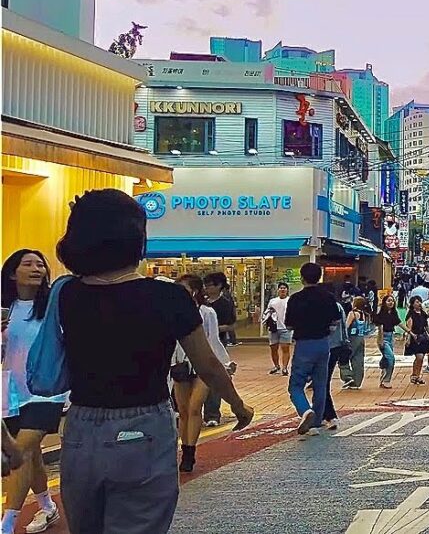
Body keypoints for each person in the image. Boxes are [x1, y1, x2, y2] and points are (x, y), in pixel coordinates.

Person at [52, 189, 252, 532]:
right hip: (142, 426)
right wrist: (238, 405)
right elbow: (208, 365)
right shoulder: (167, 296)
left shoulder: (66, 293)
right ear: (136, 237)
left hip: (80, 429)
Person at [2, 250, 65, 534]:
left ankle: (6, 524)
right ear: (13, 273)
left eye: (40, 264)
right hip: (12, 392)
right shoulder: (5, 308)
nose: (36, 268)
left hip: (47, 392)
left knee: (21, 451)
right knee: (33, 455)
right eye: (27, 264)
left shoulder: (55, 304)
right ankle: (48, 507)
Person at [171, 275, 233, 474]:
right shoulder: (172, 312)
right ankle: (184, 448)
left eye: (184, 289)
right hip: (180, 365)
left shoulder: (207, 313)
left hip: (201, 366)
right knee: (183, 410)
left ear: (195, 291)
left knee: (195, 406)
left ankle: (189, 453)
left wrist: (225, 363)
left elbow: (213, 340)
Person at [285, 262, 343, 435]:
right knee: (320, 384)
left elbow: (288, 325)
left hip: (304, 344)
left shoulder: (296, 299)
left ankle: (305, 411)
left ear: (302, 278)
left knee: (296, 385)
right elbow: (336, 321)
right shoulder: (328, 297)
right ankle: (316, 421)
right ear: (320, 277)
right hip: (324, 344)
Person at [202, 271, 237, 427]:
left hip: (217, 345)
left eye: (209, 285)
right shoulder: (203, 302)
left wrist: (213, 328)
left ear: (219, 286)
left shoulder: (225, 303)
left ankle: (212, 414)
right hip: (200, 344)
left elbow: (231, 325)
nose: (207, 289)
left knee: (214, 379)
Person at [339, 296, 371, 389]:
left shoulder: (352, 313)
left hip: (352, 338)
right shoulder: (364, 314)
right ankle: (357, 382)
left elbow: (346, 326)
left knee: (344, 357)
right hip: (360, 338)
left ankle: (347, 376)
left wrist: (343, 338)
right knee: (358, 360)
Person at [404, 297, 429, 385]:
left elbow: (426, 326)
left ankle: (416, 375)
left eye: (420, 302)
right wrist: (408, 339)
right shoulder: (411, 314)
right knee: (419, 357)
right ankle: (414, 375)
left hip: (423, 338)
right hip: (415, 338)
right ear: (412, 304)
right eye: (417, 302)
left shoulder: (423, 314)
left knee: (421, 357)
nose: (419, 304)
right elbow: (409, 328)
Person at [263, 282, 292, 376]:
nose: (282, 290)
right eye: (281, 288)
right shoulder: (273, 301)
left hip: (285, 328)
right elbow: (267, 312)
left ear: (287, 290)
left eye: (284, 288)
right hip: (274, 328)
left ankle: (284, 368)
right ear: (278, 290)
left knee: (285, 348)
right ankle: (276, 366)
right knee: (273, 348)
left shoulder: (290, 301)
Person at [373, 293, 402, 388]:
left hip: (391, 337)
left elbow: (399, 323)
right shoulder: (381, 314)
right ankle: (386, 380)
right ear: (384, 302)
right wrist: (380, 341)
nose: (391, 302)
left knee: (387, 358)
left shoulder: (394, 313)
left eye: (392, 301)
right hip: (383, 338)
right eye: (389, 301)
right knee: (391, 358)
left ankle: (383, 377)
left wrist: (410, 332)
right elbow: (380, 329)